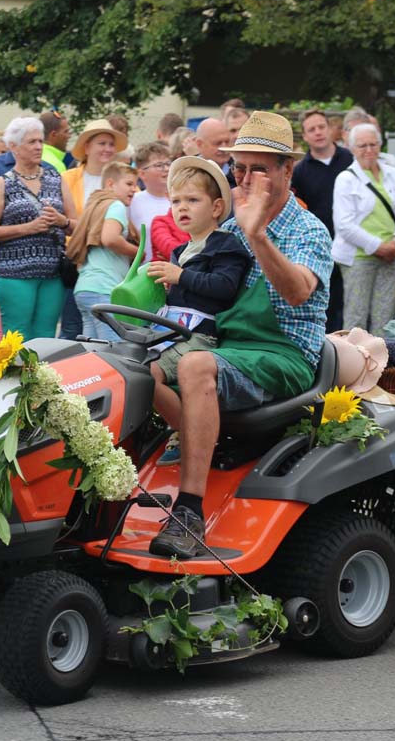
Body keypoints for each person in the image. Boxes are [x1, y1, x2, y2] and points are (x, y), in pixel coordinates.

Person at [148, 112, 332, 558]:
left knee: (194, 364)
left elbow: (296, 292)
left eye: (259, 169)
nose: (245, 178)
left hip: (283, 354)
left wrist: (258, 234)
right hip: (225, 348)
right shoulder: (225, 228)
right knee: (133, 368)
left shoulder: (308, 230)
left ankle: (188, 511)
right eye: (239, 168)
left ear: (288, 171)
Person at [147, 157, 249, 465]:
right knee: (126, 363)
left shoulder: (225, 245)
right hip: (171, 332)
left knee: (146, 375)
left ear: (217, 208)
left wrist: (181, 277)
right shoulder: (180, 250)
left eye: (193, 200)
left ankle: (190, 433)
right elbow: (187, 290)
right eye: (176, 201)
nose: (182, 208)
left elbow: (224, 286)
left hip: (200, 338)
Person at [0, 116, 76, 340]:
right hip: (14, 274)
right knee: (16, 335)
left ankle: (43, 377)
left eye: (41, 141)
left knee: (46, 336)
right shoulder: (2, 183)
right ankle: (14, 376)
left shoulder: (56, 179)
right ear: (13, 146)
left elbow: (77, 225)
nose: (39, 147)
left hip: (52, 273)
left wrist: (61, 221)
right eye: (32, 142)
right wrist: (28, 228)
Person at [331, 123, 395, 334]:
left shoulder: (392, 174)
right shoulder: (346, 179)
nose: (369, 150)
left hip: (391, 256)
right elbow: (344, 225)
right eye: (362, 146)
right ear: (352, 148)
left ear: (380, 145)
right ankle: (352, 365)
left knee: (385, 318)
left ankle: (384, 365)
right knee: (356, 317)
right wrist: (378, 246)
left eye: (373, 144)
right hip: (359, 258)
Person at [291, 108, 354, 333]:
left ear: (330, 129)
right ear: (305, 136)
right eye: (311, 130)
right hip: (319, 246)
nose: (318, 133)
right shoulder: (300, 171)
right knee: (326, 303)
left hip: (351, 244)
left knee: (351, 303)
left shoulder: (349, 159)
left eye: (321, 127)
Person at [68, 161, 140, 340]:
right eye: (129, 184)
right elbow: (109, 238)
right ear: (110, 184)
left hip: (85, 288)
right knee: (112, 349)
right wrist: (138, 252)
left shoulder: (94, 205)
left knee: (92, 351)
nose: (134, 189)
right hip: (104, 289)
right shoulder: (116, 206)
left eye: (136, 184)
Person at [63, 119, 128, 213]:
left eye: (111, 144)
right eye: (102, 143)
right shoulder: (66, 179)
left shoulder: (124, 178)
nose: (108, 149)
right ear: (87, 148)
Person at [129, 141, 172, 260]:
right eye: (159, 165)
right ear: (142, 173)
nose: (167, 169)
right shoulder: (133, 202)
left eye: (168, 163)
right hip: (144, 271)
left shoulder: (180, 200)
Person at [194, 118, 233, 185]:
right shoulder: (186, 173)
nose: (224, 148)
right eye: (218, 143)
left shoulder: (240, 173)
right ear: (199, 144)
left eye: (227, 142)